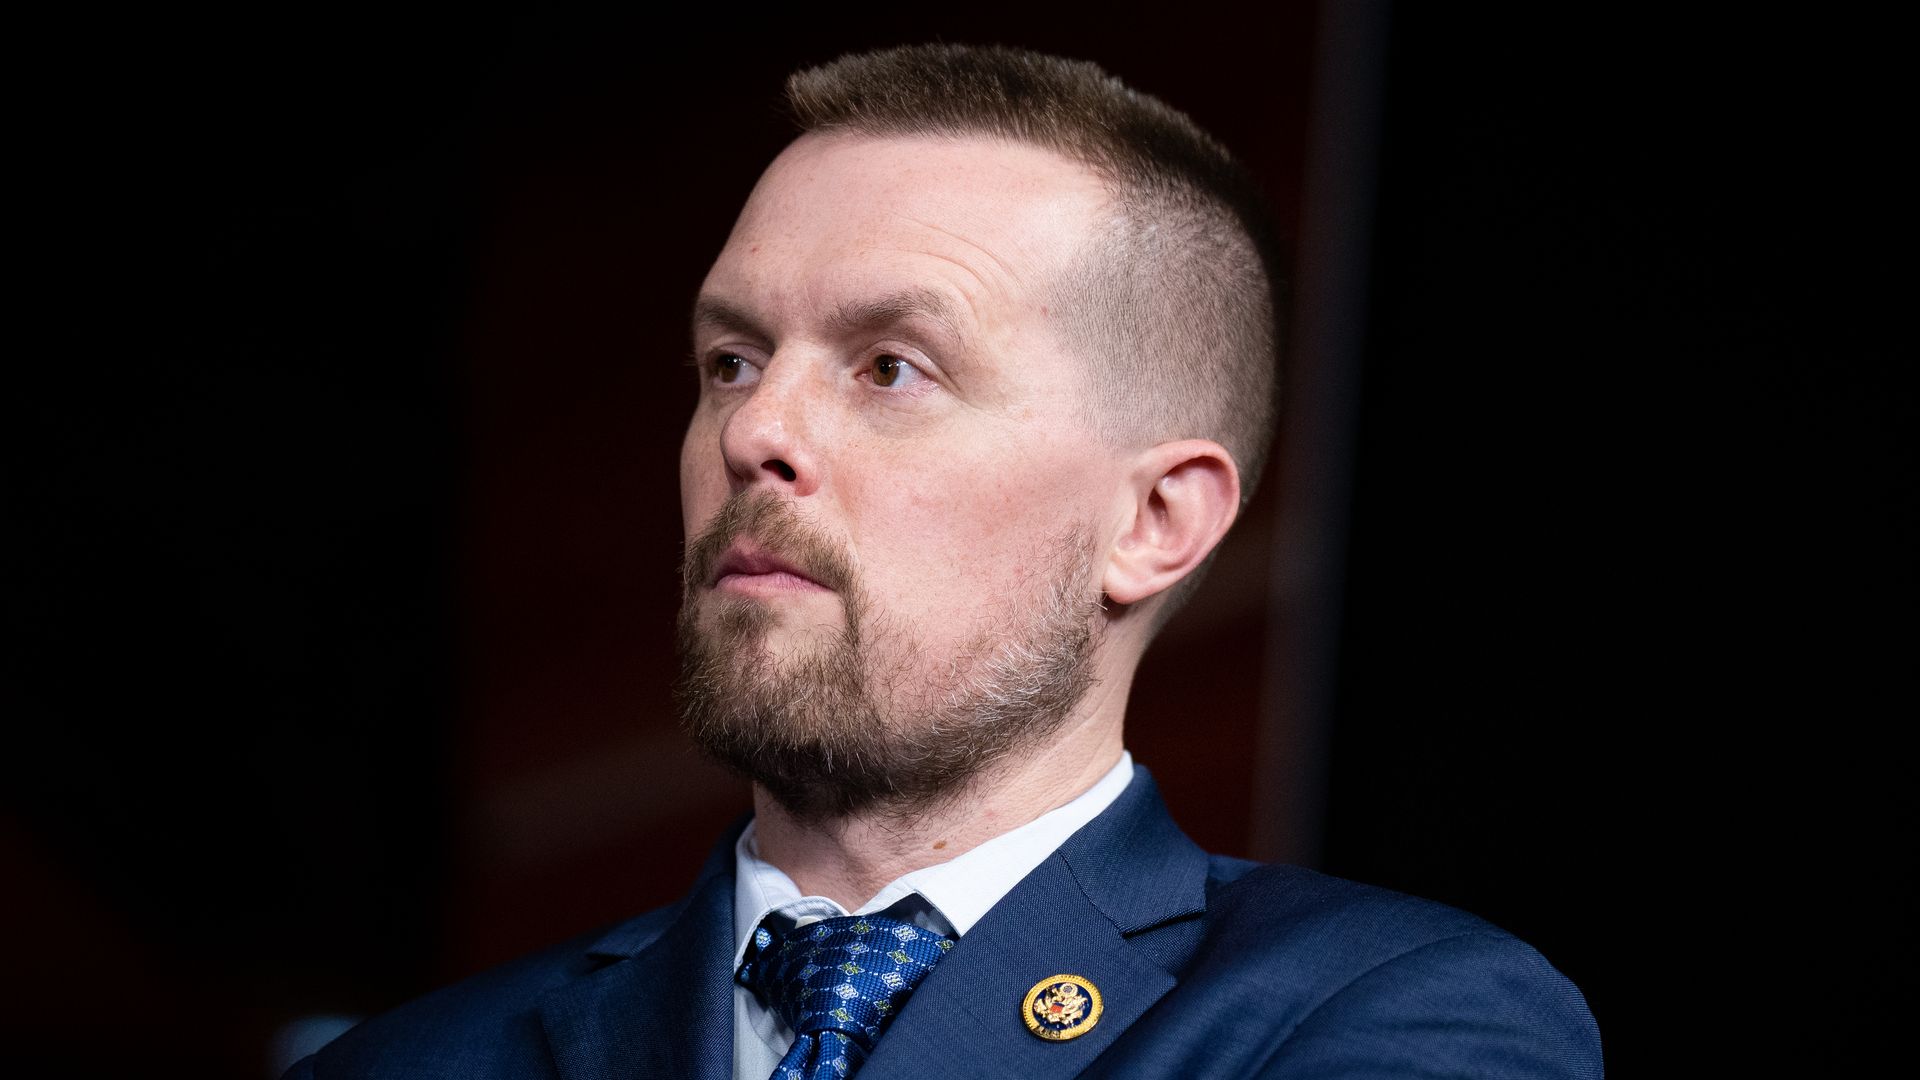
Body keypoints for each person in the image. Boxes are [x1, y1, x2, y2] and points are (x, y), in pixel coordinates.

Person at [287, 44, 1600, 1079]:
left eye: (891, 367)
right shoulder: (396, 1067)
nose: (755, 431)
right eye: (732, 360)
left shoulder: (1393, 1017)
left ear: (1156, 521)